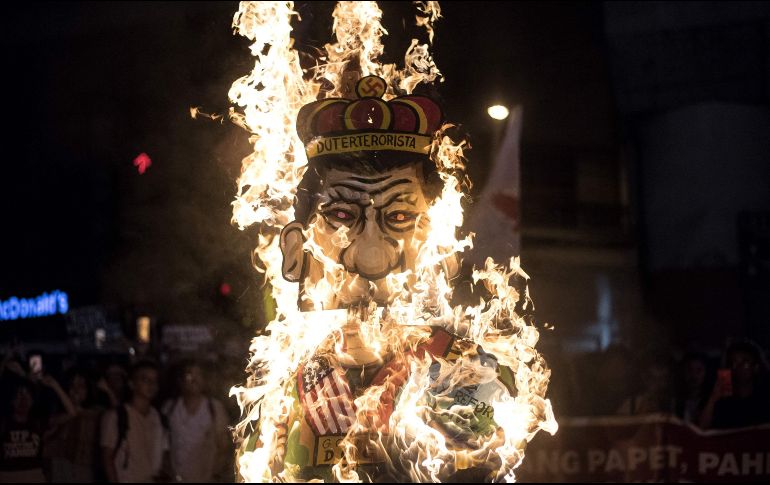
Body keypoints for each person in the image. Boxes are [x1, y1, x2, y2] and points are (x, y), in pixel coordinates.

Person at [242, 75, 533, 482]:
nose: (372, 256)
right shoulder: (283, 381)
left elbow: (488, 461)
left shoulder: (459, 369)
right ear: (295, 252)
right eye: (342, 217)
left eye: (399, 218)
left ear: (440, 251)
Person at [100, 361, 171, 483]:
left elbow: (164, 455)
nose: (151, 385)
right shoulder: (116, 417)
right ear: (131, 384)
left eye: (154, 381)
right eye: (145, 380)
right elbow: (107, 459)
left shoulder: (159, 418)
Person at [162, 361, 230, 482]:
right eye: (189, 375)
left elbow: (223, 447)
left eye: (198, 375)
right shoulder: (170, 408)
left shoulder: (214, 408)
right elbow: (163, 446)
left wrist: (215, 474)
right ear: (181, 381)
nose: (194, 379)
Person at [46, 368, 103, 482]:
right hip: (60, 463)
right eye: (72, 386)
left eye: (81, 386)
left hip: (85, 465)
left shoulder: (97, 413)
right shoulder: (57, 413)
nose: (76, 390)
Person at [699, 340, 770, 429]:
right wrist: (713, 399)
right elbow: (701, 429)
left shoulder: (764, 397)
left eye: (745, 363)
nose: (738, 367)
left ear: (756, 367)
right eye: (733, 362)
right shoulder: (723, 400)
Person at [674, 352, 711, 424]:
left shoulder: (710, 400)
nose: (693, 375)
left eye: (699, 370)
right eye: (689, 370)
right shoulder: (676, 400)